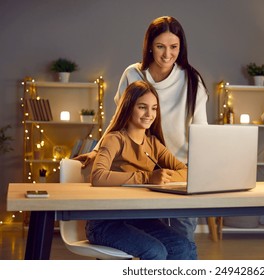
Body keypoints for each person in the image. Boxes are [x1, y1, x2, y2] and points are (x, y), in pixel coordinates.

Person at [76, 16, 208, 258]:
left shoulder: (192, 80)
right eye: (160, 46)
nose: (167, 54)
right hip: (143, 171)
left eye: (174, 47)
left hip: (174, 168)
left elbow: (202, 131)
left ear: (181, 47)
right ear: (150, 45)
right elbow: (118, 118)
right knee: (152, 246)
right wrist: (99, 150)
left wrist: (195, 171)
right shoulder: (133, 74)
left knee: (183, 244)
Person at [86, 80, 193, 260]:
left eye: (154, 108)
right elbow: (97, 176)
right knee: (156, 252)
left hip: (140, 218)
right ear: (128, 108)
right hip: (105, 223)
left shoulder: (153, 144)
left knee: (184, 247)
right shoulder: (114, 139)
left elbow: (186, 171)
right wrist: (148, 177)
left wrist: (164, 177)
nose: (149, 114)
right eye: (142, 107)